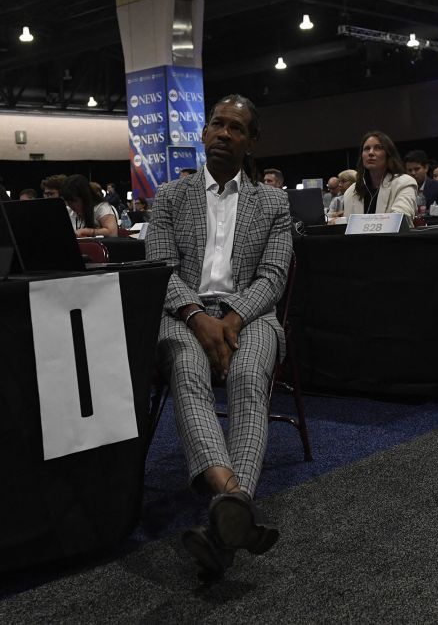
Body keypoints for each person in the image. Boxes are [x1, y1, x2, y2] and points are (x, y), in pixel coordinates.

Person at [146, 93, 290, 578]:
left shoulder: (273, 201)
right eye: (216, 124)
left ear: (250, 142)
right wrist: (196, 316)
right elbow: (160, 269)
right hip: (182, 313)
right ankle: (236, 501)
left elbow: (273, 276)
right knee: (188, 370)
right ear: (204, 133)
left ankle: (227, 510)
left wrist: (231, 317)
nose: (223, 133)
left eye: (235, 128)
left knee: (250, 378)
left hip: (252, 315)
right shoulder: (168, 197)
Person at [343, 132, 418, 222]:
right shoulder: (351, 192)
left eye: (378, 148)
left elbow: (401, 220)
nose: (370, 153)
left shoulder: (404, 183)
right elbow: (347, 227)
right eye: (367, 148)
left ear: (388, 154)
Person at [403, 149, 438, 217]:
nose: (413, 173)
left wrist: (423, 212)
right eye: (409, 170)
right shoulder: (403, 189)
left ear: (426, 168)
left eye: (417, 169)